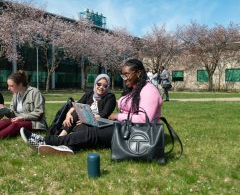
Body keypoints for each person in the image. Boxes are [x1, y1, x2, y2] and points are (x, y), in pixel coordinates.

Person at [20, 59, 162, 155]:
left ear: (138, 73)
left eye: (126, 75)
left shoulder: (149, 90)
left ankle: (45, 140)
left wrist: (117, 116)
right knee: (87, 130)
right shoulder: (134, 89)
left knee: (92, 133)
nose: (124, 79)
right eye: (122, 75)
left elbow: (145, 120)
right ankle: (67, 147)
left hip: (138, 134)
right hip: (124, 127)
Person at [0, 70, 47, 144]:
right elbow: (13, 113)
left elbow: (39, 113)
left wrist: (22, 118)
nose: (8, 88)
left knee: (15, 125)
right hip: (20, 120)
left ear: (20, 85)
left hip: (36, 123)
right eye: (8, 85)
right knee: (4, 121)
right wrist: (3, 109)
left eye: (11, 86)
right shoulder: (15, 94)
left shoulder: (35, 92)